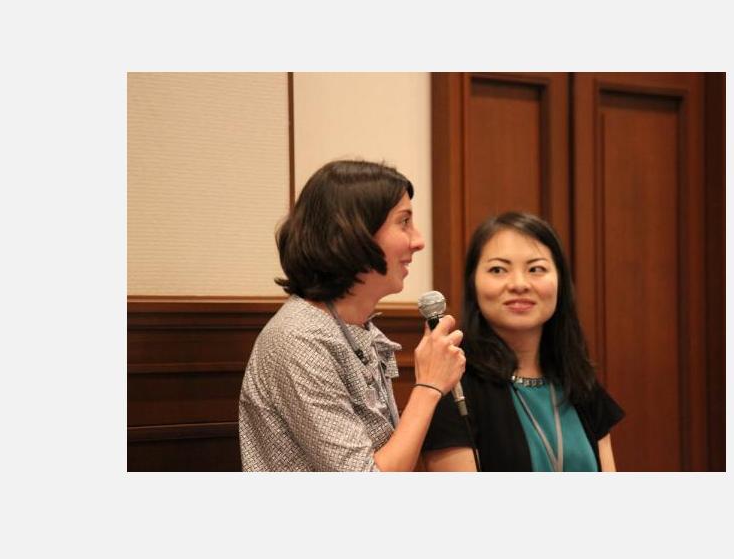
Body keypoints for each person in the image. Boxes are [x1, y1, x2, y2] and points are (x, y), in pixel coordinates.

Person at [238, 159, 466, 471]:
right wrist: (428, 386)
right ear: (353, 232)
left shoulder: (356, 327)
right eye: (404, 222)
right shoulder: (298, 340)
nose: (418, 241)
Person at [422, 212, 623, 471]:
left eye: (536, 269)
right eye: (498, 270)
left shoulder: (579, 380)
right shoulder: (452, 383)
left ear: (561, 282)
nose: (519, 284)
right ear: (473, 284)